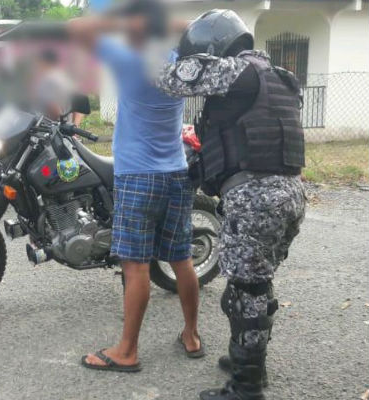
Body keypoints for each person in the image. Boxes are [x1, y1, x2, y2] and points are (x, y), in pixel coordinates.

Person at [154, 10, 307, 400]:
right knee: (256, 285)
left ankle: (246, 387)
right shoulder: (281, 77)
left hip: (255, 199)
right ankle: (251, 362)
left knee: (244, 294)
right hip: (289, 194)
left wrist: (153, 36)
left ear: (213, 47)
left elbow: (169, 78)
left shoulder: (233, 72)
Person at [68, 0, 204, 373]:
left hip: (137, 176)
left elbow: (75, 28)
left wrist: (117, 17)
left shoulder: (129, 58)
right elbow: (199, 25)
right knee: (182, 259)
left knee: (137, 266)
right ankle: (191, 335)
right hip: (177, 171)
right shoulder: (178, 61)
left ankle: (127, 350)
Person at [32, 48, 83, 125]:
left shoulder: (46, 81)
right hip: (65, 131)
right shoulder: (68, 79)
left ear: (42, 62)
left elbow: (54, 111)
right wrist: (74, 128)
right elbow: (80, 108)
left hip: (48, 131)